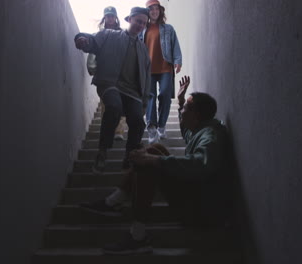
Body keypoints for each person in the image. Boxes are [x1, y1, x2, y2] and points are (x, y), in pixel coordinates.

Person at [81, 76, 230, 255]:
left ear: (196, 115)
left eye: (185, 109)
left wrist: (155, 161)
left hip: (200, 211)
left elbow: (199, 165)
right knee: (155, 149)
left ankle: (138, 236)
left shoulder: (210, 137)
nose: (181, 111)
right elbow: (188, 132)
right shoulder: (203, 128)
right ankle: (114, 201)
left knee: (149, 162)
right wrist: (182, 100)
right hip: (195, 196)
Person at [74, 7, 151, 173]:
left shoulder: (144, 50)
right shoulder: (110, 35)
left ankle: (129, 157)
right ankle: (102, 151)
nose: (140, 25)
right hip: (110, 84)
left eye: (144, 23)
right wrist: (82, 39)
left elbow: (147, 78)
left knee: (138, 122)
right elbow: (93, 41)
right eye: (138, 21)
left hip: (133, 92)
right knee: (114, 107)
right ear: (129, 19)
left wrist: (145, 100)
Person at [140, 0, 183, 144]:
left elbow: (175, 45)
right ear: (147, 12)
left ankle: (162, 125)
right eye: (151, 9)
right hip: (148, 69)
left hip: (165, 67)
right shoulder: (142, 29)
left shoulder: (168, 29)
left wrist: (178, 60)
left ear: (160, 10)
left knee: (164, 94)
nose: (154, 11)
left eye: (156, 8)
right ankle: (151, 127)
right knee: (150, 97)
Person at [86, 6, 128, 141]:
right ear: (105, 18)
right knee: (106, 104)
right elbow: (93, 51)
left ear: (116, 17)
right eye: (108, 16)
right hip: (105, 76)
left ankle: (119, 131)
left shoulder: (123, 34)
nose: (110, 18)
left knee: (121, 102)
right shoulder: (100, 34)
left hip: (120, 75)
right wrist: (92, 68)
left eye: (112, 16)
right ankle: (107, 131)